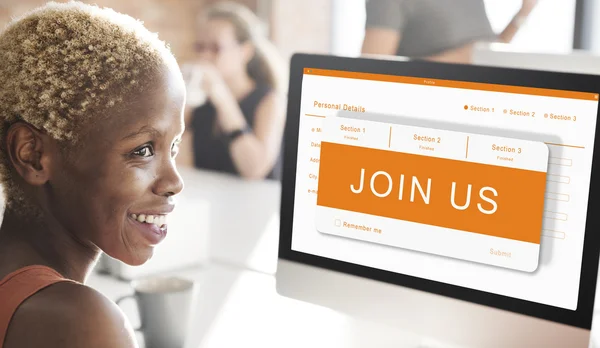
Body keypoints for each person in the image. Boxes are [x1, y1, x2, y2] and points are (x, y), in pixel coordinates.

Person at [0, 2, 185, 347]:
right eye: (142, 150)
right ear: (34, 155)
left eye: (173, 146)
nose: (174, 182)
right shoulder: (81, 322)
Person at [177, 1, 287, 181]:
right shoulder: (199, 102)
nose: (205, 56)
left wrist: (221, 97)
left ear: (245, 52)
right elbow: (182, 168)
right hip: (209, 203)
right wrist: (179, 111)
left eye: (215, 48)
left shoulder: (269, 99)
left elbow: (254, 170)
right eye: (200, 47)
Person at [361, 0, 538, 64]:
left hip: (491, 101)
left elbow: (490, 51)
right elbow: (372, 71)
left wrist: (523, 12)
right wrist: (460, 58)